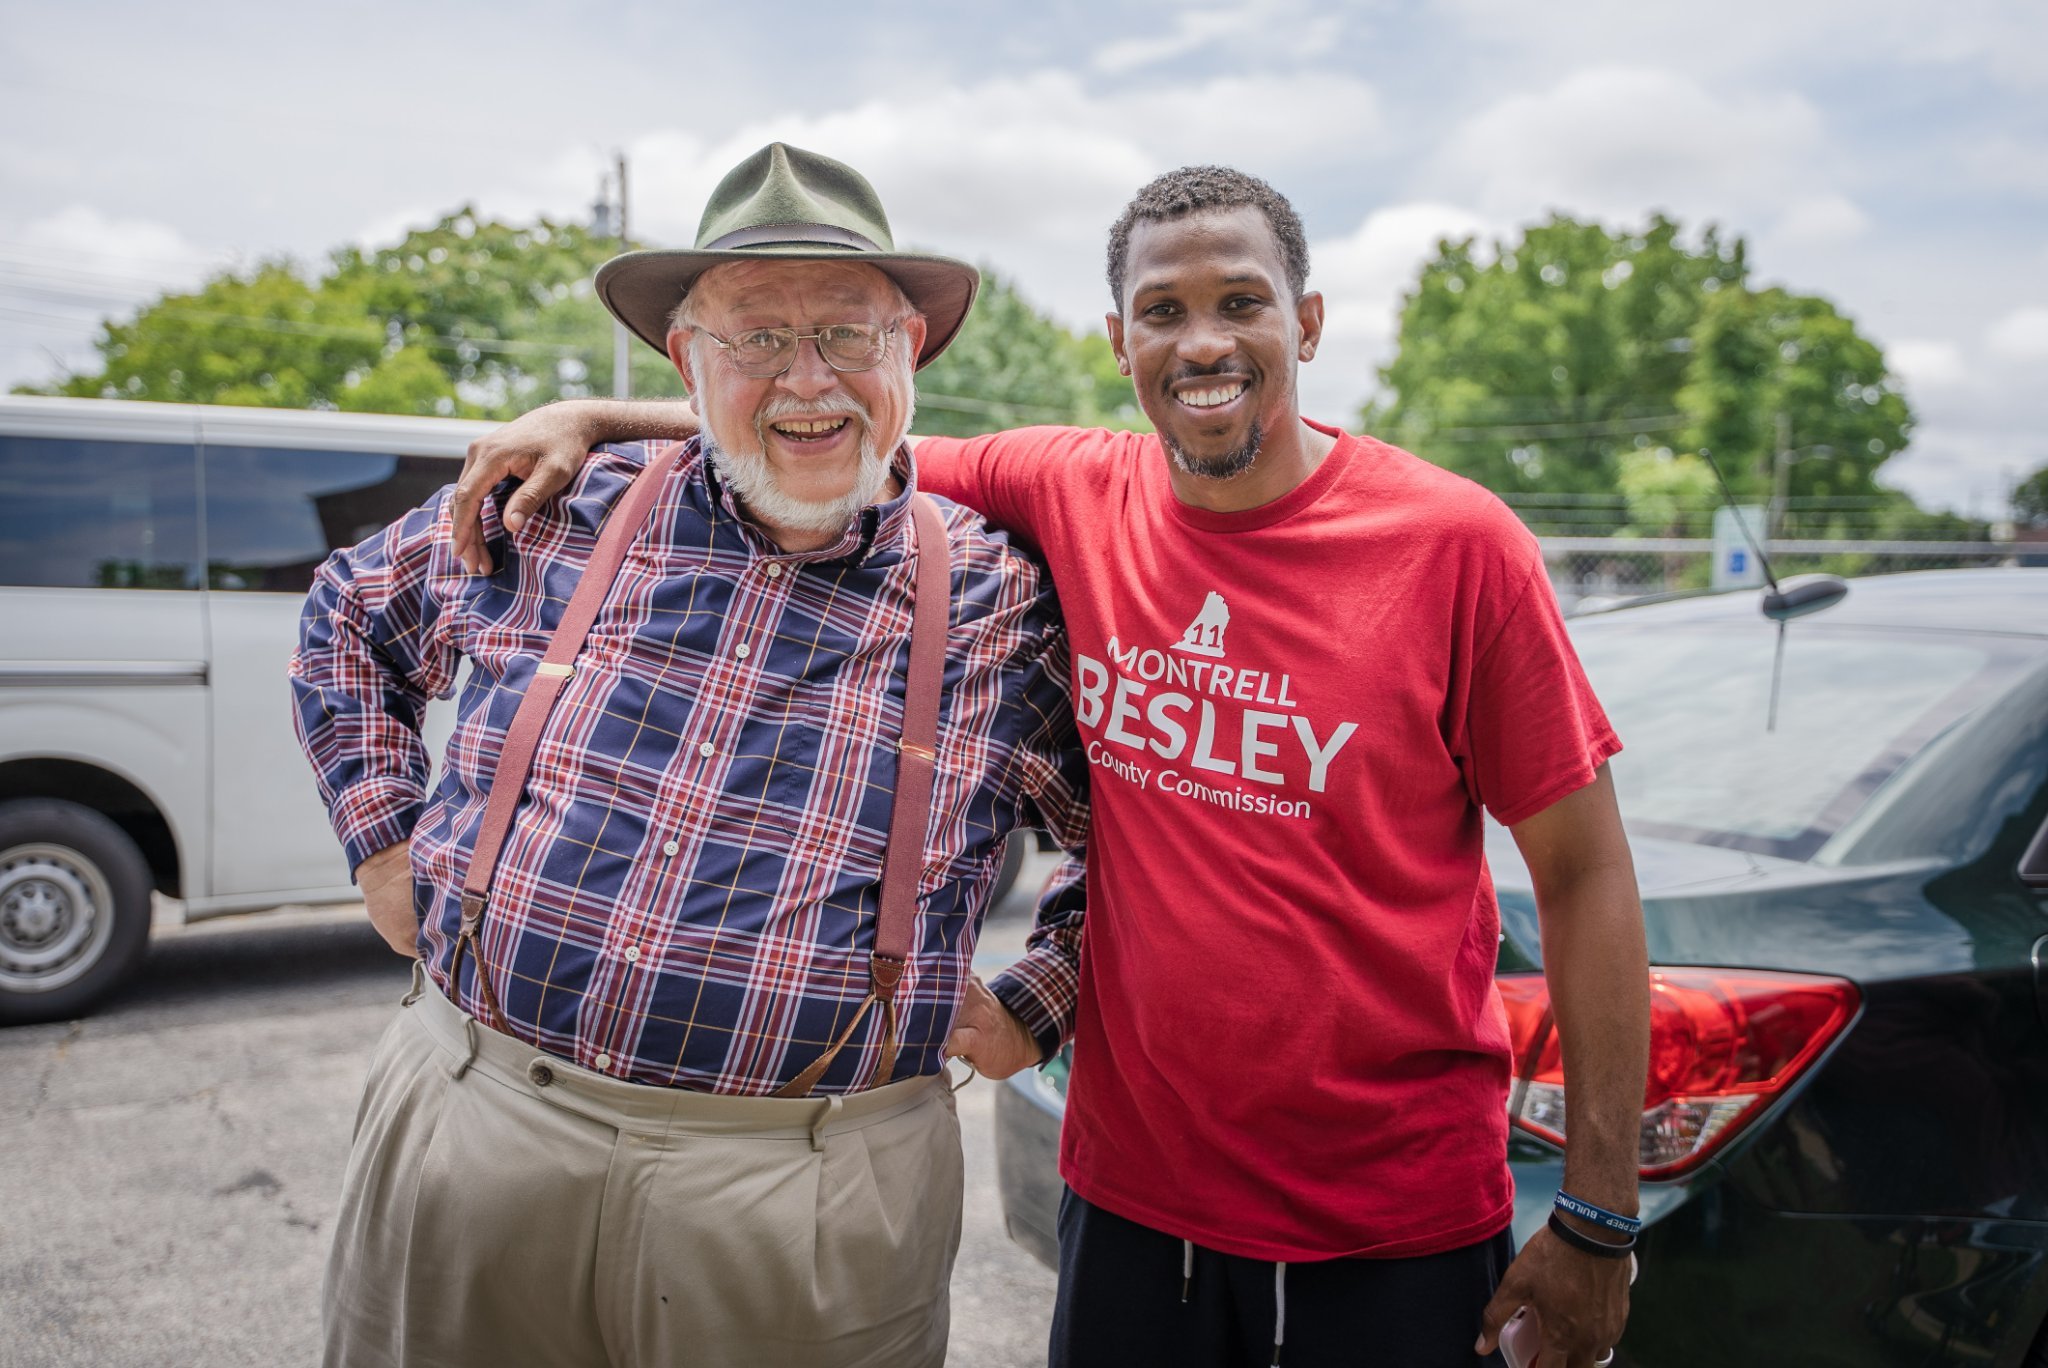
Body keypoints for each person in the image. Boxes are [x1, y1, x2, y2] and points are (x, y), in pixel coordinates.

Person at [456, 165, 1652, 1368]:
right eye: (1161, 311)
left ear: (1305, 321)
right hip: (1131, 1202)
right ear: (1116, 340)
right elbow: (835, 420)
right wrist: (598, 418)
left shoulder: (1454, 547)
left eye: (1240, 302)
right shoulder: (1070, 488)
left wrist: (1599, 1220)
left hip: (1385, 1224)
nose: (1202, 343)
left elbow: (1585, 876)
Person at [289, 142, 1087, 1368]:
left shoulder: (998, 595)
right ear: (685, 361)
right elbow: (348, 614)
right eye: (755, 336)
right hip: (477, 1120)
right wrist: (383, 842)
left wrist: (1041, 998)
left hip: (812, 1195)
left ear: (909, 351)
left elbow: (1156, 836)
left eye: (846, 335)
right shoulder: (554, 503)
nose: (804, 377)